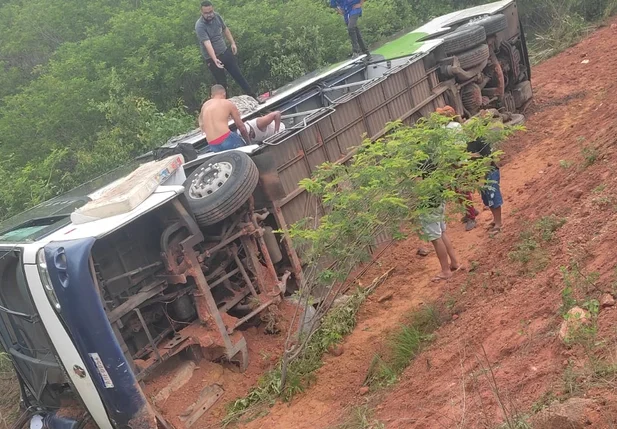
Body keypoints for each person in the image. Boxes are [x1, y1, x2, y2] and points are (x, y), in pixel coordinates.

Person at [195, 1, 256, 98]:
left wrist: (232, 43)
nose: (209, 15)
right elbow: (207, 43)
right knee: (222, 84)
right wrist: (215, 59)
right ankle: (225, 108)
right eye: (206, 13)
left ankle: (253, 96)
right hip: (211, 58)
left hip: (224, 51)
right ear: (201, 12)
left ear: (213, 9)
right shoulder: (199, 25)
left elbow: (225, 29)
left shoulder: (217, 16)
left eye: (210, 12)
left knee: (238, 75)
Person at [436, 105, 480, 232]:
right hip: (455, 162)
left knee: (463, 191)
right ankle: (469, 211)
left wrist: (452, 161)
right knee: (458, 190)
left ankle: (471, 216)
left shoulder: (451, 128)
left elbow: (459, 147)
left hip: (457, 163)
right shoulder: (448, 127)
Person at [467, 134, 503, 234]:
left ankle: (498, 223)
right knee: (487, 199)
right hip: (480, 175)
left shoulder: (481, 140)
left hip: (489, 173)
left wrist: (484, 175)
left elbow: (488, 159)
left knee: (493, 197)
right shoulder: (468, 143)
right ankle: (495, 220)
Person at [199, 85, 251, 152]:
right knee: (245, 154)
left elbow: (202, 124)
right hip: (226, 138)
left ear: (212, 96)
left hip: (212, 144)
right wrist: (248, 143)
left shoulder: (205, 105)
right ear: (224, 94)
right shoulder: (227, 103)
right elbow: (241, 127)